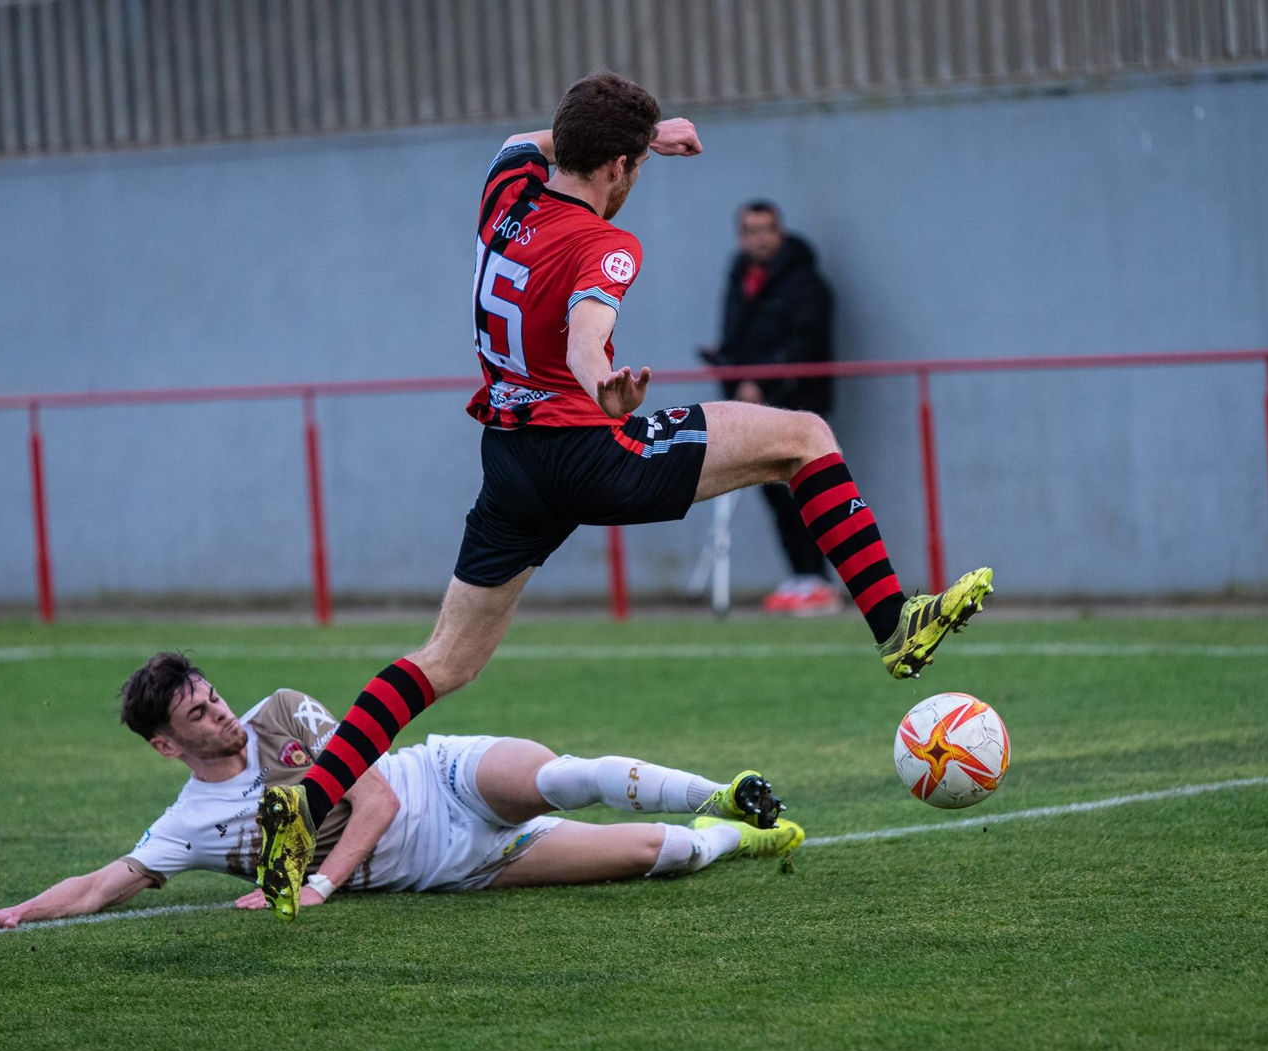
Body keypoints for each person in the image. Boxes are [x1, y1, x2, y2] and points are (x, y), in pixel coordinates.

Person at [256, 71, 993, 920]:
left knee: (444, 661)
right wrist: (601, 387)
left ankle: (306, 804)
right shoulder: (607, 243)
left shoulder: (507, 190)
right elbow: (587, 336)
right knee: (803, 439)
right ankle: (895, 624)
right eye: (634, 163)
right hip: (587, 449)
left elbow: (529, 141)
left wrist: (646, 132)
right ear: (617, 166)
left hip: (511, 459)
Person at [0, 653, 802, 933]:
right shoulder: (191, 825)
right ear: (168, 745)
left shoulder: (282, 713)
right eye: (198, 715)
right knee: (657, 854)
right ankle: (745, 836)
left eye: (213, 696)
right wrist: (16, 913)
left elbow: (378, 802)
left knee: (557, 778)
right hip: (456, 868)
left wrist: (314, 884)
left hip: (445, 779)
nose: (221, 713)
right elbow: (106, 883)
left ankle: (723, 792)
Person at [704, 200, 839, 615]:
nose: (759, 238)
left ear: (780, 233)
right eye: (750, 230)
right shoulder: (739, 278)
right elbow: (735, 337)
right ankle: (801, 575)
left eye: (766, 229)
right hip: (752, 407)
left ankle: (818, 579)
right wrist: (727, 368)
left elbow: (806, 343)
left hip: (796, 404)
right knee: (774, 494)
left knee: (808, 493)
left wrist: (762, 383)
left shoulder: (806, 283)